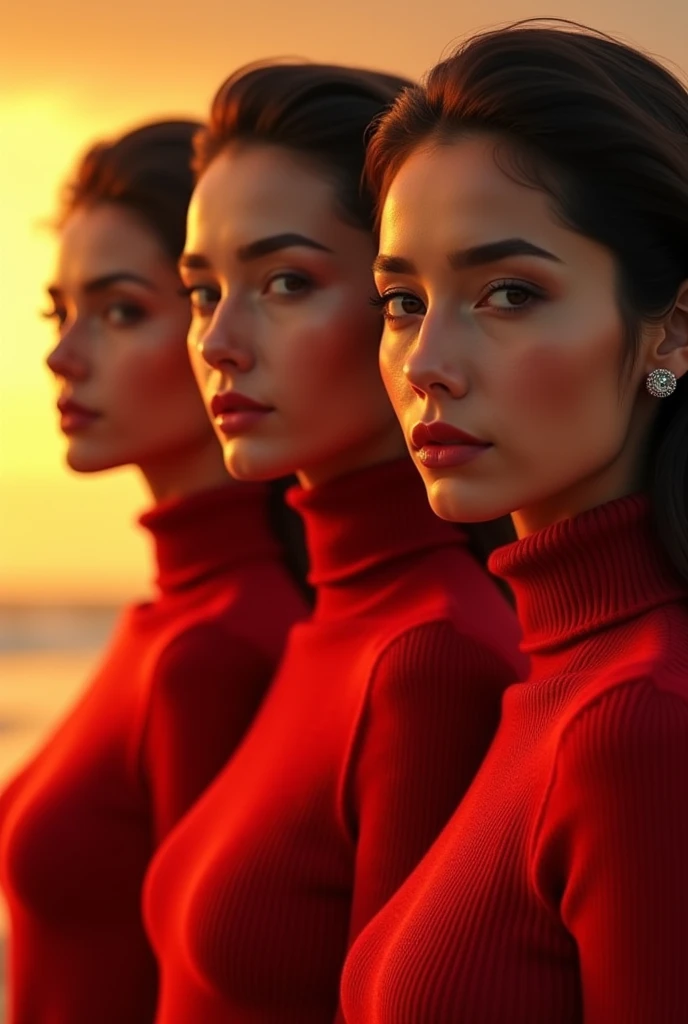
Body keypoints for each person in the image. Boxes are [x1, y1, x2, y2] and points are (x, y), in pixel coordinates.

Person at [142, 62, 527, 1023]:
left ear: (398, 301)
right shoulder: (331, 626)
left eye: (284, 281)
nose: (220, 339)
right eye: (200, 291)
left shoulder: (427, 656)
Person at [340, 22, 688, 1024]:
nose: (424, 362)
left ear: (669, 325)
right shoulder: (556, 686)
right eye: (401, 300)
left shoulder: (642, 725)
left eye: (507, 293)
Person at [0, 120, 309, 1024]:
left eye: (122, 310)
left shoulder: (218, 646)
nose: (62, 357)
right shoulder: (173, 620)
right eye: (59, 313)